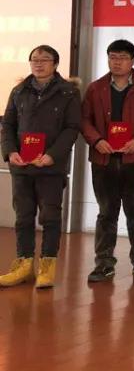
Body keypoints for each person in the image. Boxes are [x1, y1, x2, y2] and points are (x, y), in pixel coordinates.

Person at [81, 39, 134, 282]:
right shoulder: (96, 88)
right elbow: (83, 119)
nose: (117, 62)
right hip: (103, 159)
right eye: (113, 57)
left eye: (123, 58)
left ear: (133, 60)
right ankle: (104, 263)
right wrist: (97, 140)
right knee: (106, 212)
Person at [0, 45, 80, 288]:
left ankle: (47, 266)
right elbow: (7, 125)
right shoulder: (19, 90)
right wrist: (10, 152)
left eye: (44, 59)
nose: (38, 63)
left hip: (50, 168)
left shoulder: (68, 92)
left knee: (50, 217)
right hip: (22, 166)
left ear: (55, 64)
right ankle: (23, 265)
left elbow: (72, 128)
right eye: (34, 59)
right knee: (23, 217)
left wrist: (52, 156)